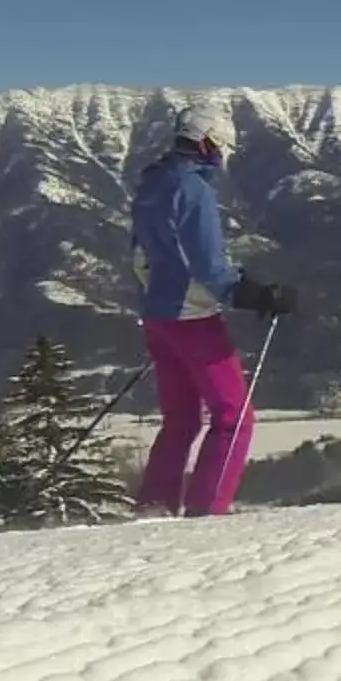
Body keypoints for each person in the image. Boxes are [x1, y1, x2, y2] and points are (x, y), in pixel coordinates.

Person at [130, 103, 294, 516]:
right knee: (233, 417)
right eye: (220, 146)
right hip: (192, 318)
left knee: (181, 419)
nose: (221, 156)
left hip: (158, 314)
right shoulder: (193, 189)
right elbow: (207, 264)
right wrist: (252, 294)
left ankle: (155, 505)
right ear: (207, 141)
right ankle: (208, 512)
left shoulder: (151, 183)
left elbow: (140, 253)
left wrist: (158, 302)